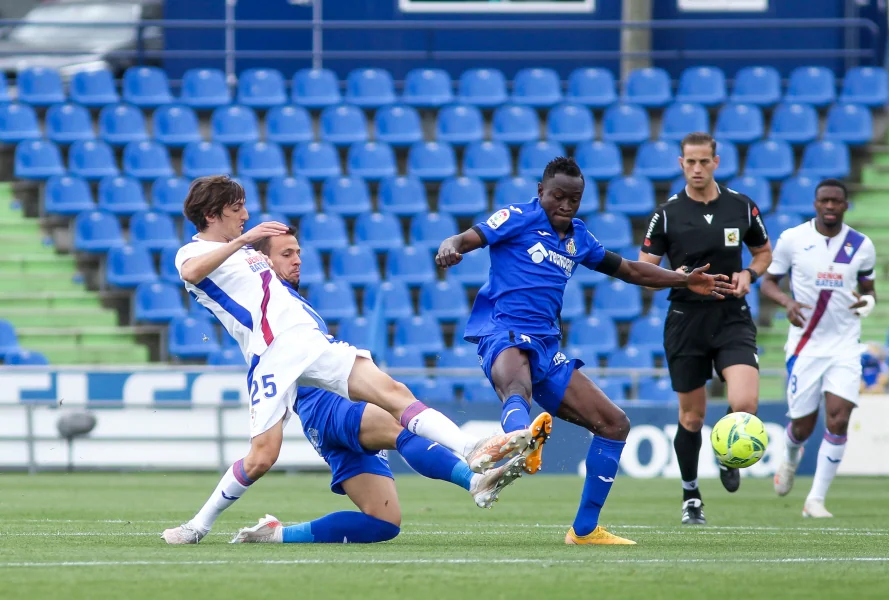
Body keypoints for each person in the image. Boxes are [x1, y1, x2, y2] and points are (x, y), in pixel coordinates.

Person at [162, 176, 540, 544]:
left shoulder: (247, 252)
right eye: (236, 208)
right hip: (273, 355)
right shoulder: (194, 253)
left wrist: (260, 246)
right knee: (262, 457)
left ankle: (471, 449)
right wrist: (246, 239)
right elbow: (191, 273)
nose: (245, 214)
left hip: (309, 341)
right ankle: (197, 526)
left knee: (392, 392)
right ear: (212, 215)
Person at [436, 156, 734, 545]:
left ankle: (585, 529)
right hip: (502, 331)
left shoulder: (579, 239)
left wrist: (681, 278)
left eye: (573, 199)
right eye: (557, 196)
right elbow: (467, 239)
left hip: (546, 344)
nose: (565, 205)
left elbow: (631, 270)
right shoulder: (516, 217)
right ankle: (517, 441)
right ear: (541, 191)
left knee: (615, 424)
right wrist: (449, 245)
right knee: (517, 385)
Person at [226, 229, 530, 544]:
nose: (298, 260)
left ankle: (275, 536)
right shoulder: (266, 298)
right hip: (328, 405)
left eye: (298, 252)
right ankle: (475, 478)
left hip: (321, 421)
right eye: (286, 254)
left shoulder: (287, 302)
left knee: (383, 523)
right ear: (261, 261)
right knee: (404, 424)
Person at [638, 132, 772, 526]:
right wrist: (674, 278)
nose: (697, 169)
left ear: (716, 161)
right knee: (692, 417)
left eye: (704, 161)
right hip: (686, 320)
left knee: (745, 405)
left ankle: (728, 450)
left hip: (731, 315)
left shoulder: (741, 207)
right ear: (681, 164)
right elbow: (644, 272)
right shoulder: (666, 214)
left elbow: (763, 252)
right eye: (690, 162)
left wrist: (750, 272)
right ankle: (691, 495)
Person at [760, 178, 877, 518]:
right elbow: (768, 282)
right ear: (815, 204)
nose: (829, 206)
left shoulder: (861, 244)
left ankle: (815, 500)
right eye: (824, 200)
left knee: (839, 419)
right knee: (802, 426)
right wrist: (787, 303)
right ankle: (791, 457)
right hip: (805, 347)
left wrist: (867, 302)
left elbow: (869, 289)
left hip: (844, 347)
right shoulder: (793, 239)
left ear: (845, 206)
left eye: (836, 201)